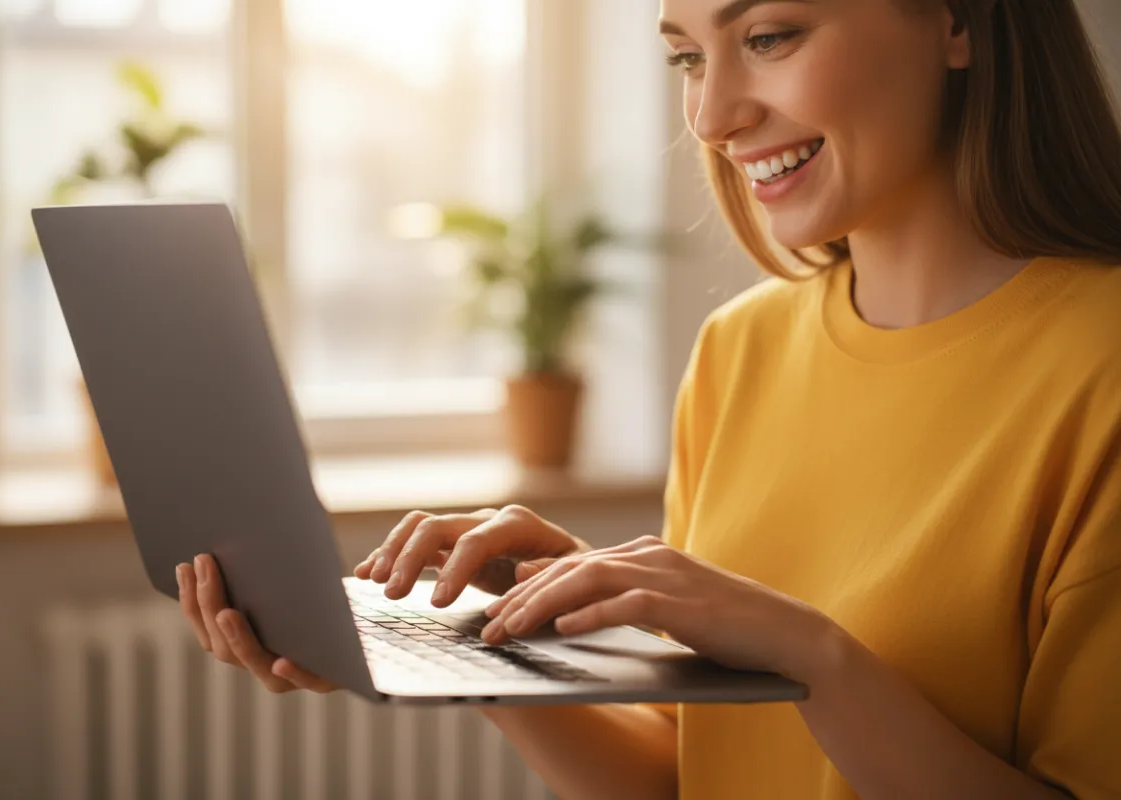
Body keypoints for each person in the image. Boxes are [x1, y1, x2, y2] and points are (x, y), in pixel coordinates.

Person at [176, 0, 1121, 797]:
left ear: (958, 22)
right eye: (685, 57)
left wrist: (814, 660)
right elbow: (688, 774)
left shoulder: (1100, 366)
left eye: (768, 37)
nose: (711, 116)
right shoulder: (739, 350)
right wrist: (484, 652)